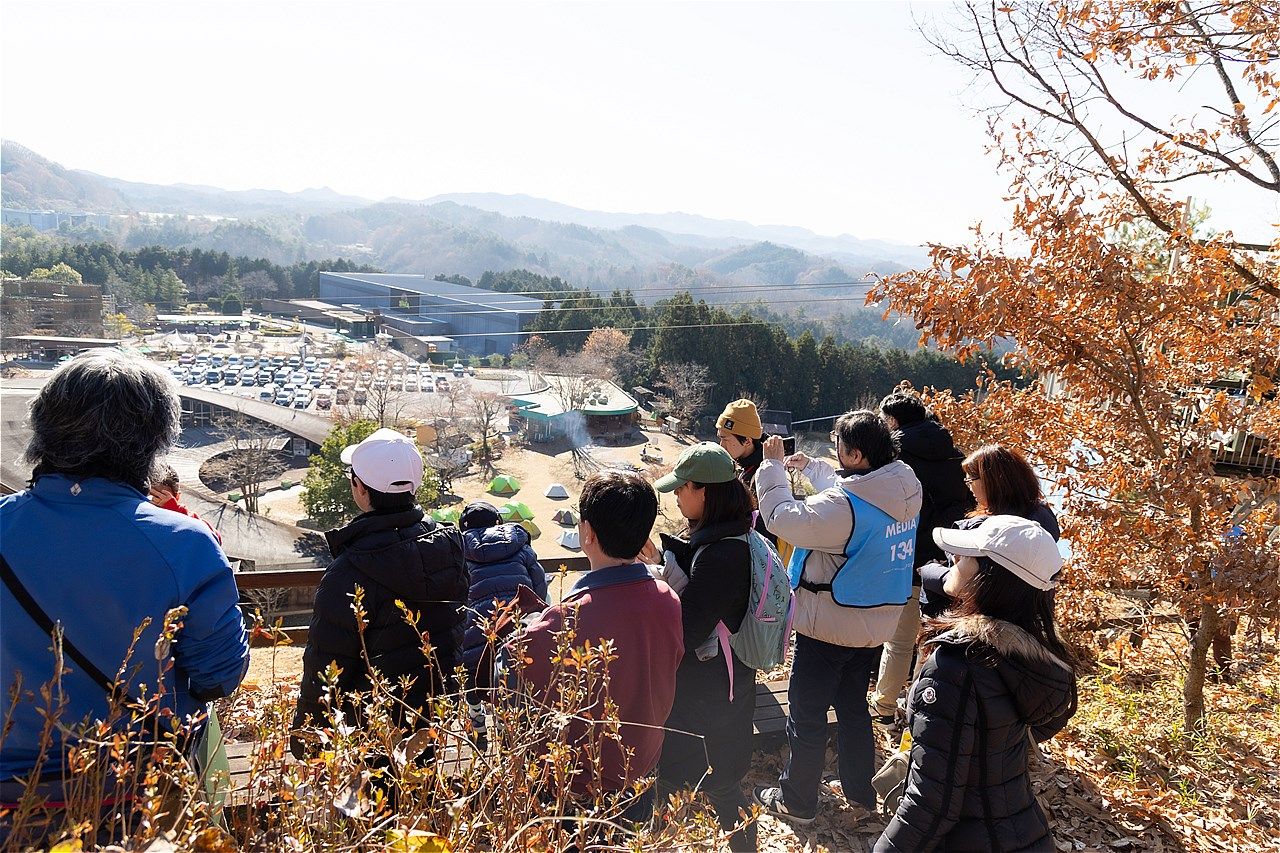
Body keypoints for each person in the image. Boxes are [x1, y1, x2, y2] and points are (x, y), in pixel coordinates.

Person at [0, 350, 248, 825]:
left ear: (43, 429)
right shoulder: (183, 544)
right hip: (134, 794)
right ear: (154, 441)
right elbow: (219, 675)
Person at [753, 411, 922, 823]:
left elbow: (783, 520)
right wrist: (813, 469)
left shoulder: (843, 509)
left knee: (807, 715)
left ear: (856, 454)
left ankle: (798, 801)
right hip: (874, 623)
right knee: (852, 709)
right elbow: (856, 496)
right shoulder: (904, 486)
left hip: (829, 627)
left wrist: (772, 467)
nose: (834, 448)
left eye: (839, 444)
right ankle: (860, 792)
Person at [874, 516, 1078, 852]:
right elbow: (1044, 720)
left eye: (966, 555)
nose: (953, 559)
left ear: (989, 578)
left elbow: (932, 804)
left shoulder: (955, 667)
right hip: (1024, 831)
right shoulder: (1037, 656)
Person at [291, 428, 468, 755]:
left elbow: (326, 663)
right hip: (432, 716)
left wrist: (307, 739)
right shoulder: (449, 547)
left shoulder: (349, 570)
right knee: (419, 794)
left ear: (359, 488)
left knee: (378, 804)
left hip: (371, 729)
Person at [515, 470, 683, 810]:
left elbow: (513, 674)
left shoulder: (566, 620)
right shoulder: (668, 598)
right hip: (643, 768)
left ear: (587, 533)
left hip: (580, 784)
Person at [647, 443, 758, 851]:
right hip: (727, 683)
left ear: (705, 492)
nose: (676, 495)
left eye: (682, 488)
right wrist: (666, 556)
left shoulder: (722, 554)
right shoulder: (735, 533)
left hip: (708, 696)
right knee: (718, 784)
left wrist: (660, 581)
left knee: (713, 786)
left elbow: (686, 630)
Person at [869, 390, 973, 723]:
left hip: (904, 558)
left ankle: (884, 706)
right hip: (946, 562)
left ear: (893, 420)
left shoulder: (896, 458)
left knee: (898, 640)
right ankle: (919, 706)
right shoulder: (955, 456)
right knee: (929, 637)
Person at [919, 444, 1061, 619]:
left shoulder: (990, 528)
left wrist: (931, 572)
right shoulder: (1042, 516)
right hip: (1031, 617)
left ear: (991, 482)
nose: (968, 488)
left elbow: (963, 585)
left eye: (970, 481)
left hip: (980, 620)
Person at [457, 500, 548, 747]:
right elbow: (538, 588)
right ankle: (504, 729)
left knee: (472, 677)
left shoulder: (457, 552)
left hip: (475, 629)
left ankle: (477, 726)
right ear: (498, 522)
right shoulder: (520, 547)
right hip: (515, 627)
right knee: (508, 680)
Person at [715, 399, 777, 544]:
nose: (721, 445)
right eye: (720, 438)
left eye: (725, 439)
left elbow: (765, 535)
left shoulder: (764, 475)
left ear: (747, 441)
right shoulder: (744, 467)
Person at [149, 464, 223, 544]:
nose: (152, 501)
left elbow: (215, 538)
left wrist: (175, 509)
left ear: (176, 497)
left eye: (159, 497)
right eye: (148, 495)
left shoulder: (182, 516)